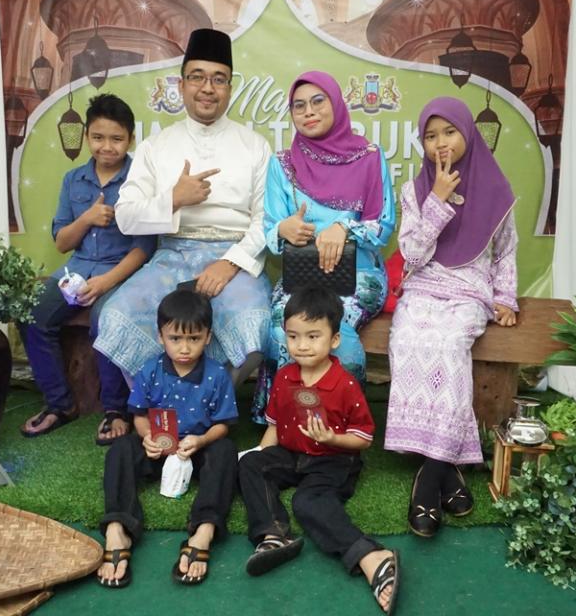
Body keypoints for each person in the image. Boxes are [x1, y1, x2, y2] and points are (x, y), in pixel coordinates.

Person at [93, 28, 272, 388]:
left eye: (218, 79)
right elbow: (126, 216)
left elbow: (266, 218)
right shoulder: (155, 146)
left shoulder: (255, 146)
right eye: (197, 77)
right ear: (181, 84)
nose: (208, 88)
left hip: (234, 258)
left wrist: (230, 263)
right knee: (116, 315)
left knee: (254, 321)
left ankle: (210, 405)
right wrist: (173, 198)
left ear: (230, 87)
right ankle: (158, 404)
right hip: (171, 256)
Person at [384, 97, 518, 537]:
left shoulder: (495, 188)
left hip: (469, 289)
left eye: (449, 132)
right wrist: (437, 202)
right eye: (430, 136)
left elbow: (506, 251)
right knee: (406, 337)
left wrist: (505, 298)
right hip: (424, 284)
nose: (440, 143)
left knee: (448, 344)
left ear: (468, 134)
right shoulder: (415, 190)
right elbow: (412, 255)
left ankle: (430, 475)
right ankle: (448, 471)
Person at [238, 287, 400, 615]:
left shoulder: (345, 385)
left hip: (334, 459)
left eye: (313, 336)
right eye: (293, 336)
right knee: (251, 463)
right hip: (291, 453)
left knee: (307, 501)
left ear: (334, 340)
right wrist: (259, 456)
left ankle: (372, 556)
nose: (302, 345)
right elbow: (273, 425)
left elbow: (363, 439)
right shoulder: (285, 377)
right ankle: (273, 536)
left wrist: (332, 439)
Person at [250, 71, 395, 423]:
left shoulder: (370, 157)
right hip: (302, 273)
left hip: (358, 274)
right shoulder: (282, 164)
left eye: (318, 101)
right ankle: (286, 421)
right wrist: (284, 229)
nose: (308, 111)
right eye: (299, 106)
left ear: (337, 105)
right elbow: (271, 231)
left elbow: (383, 225)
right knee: (282, 325)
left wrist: (344, 228)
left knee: (329, 328)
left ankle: (341, 420)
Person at [20, 94, 156, 442]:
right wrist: (87, 218)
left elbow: (144, 248)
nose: (106, 146)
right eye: (98, 137)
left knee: (106, 319)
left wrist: (106, 282)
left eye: (116, 138)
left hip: (121, 273)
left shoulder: (140, 181)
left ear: (131, 140)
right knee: (31, 314)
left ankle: (115, 409)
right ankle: (59, 404)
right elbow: (62, 242)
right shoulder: (73, 180)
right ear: (86, 137)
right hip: (76, 271)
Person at [97, 289, 239, 588]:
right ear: (160, 336)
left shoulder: (216, 374)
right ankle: (117, 527)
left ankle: (204, 529)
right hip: (158, 450)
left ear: (208, 337)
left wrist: (201, 441)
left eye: (194, 338)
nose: (184, 348)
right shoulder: (150, 370)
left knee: (225, 450)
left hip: (196, 450)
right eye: (175, 338)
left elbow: (223, 425)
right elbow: (138, 415)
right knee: (121, 448)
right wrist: (147, 437)